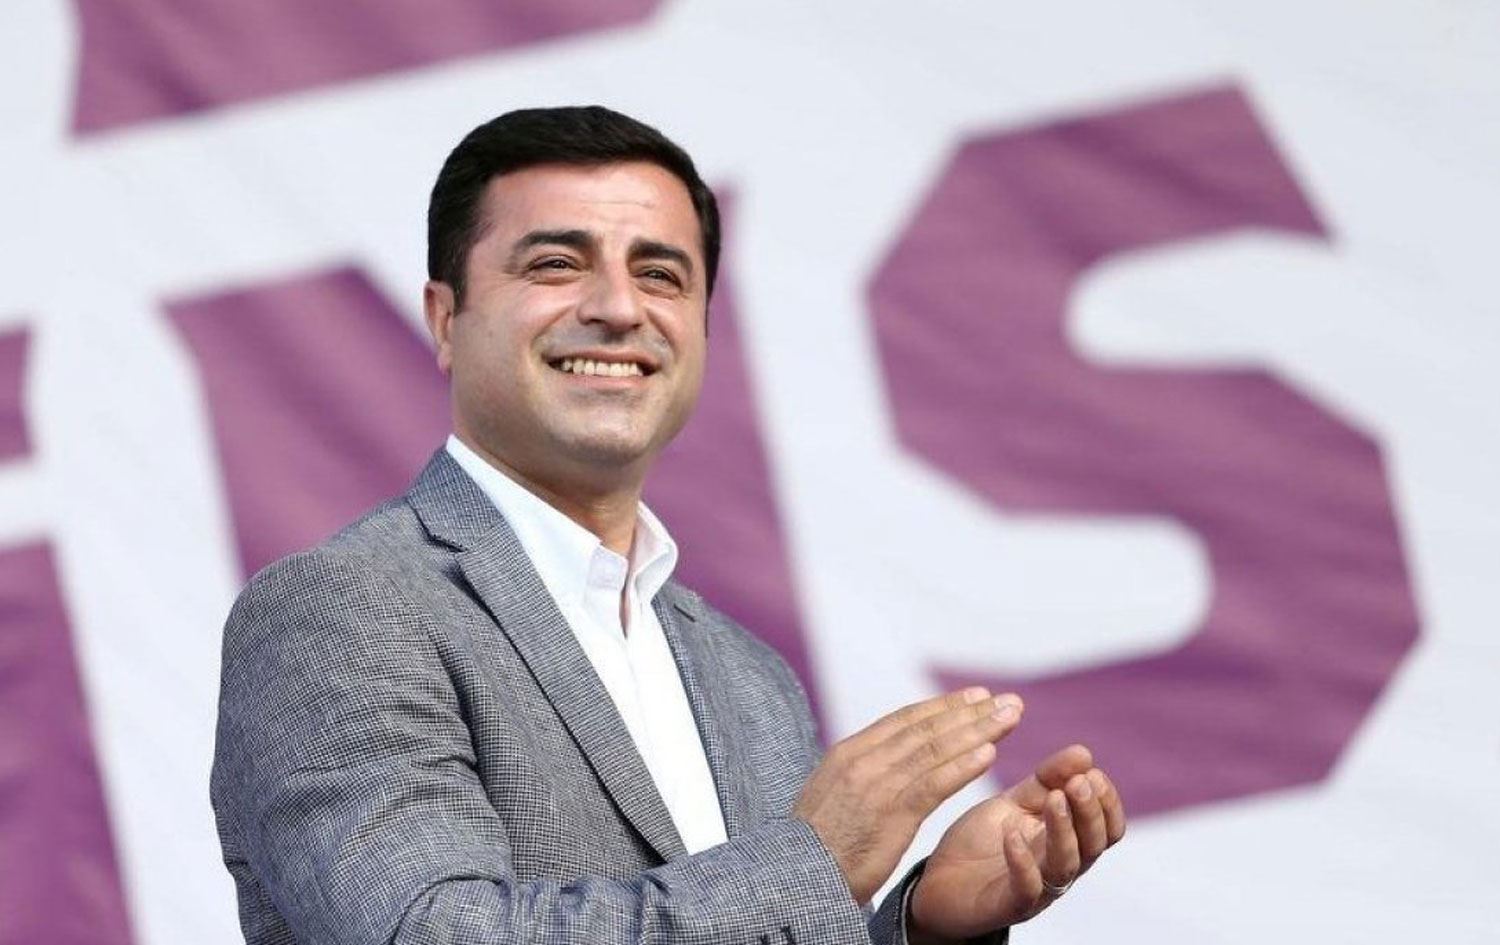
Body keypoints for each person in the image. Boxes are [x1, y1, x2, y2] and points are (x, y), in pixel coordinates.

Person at [210, 105, 1125, 945]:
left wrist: (922, 929)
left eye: (660, 274)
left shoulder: (749, 676)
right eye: (556, 264)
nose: (618, 308)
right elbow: (434, 933)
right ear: (446, 319)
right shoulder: (340, 608)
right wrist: (812, 861)